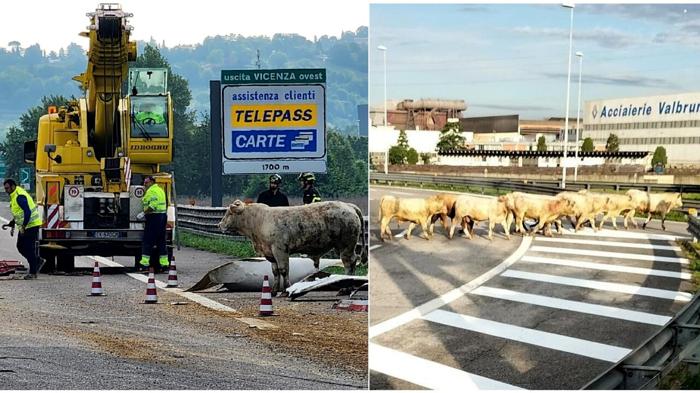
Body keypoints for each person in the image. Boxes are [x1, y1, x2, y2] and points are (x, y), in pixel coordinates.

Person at [3, 179, 43, 279]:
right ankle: (37, 261)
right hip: (26, 226)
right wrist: (12, 223)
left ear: (12, 186)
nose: (6, 190)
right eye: (5, 188)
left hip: (31, 225)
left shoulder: (19, 196)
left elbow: (27, 212)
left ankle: (33, 272)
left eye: (7, 188)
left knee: (28, 248)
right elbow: (19, 213)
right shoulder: (15, 194)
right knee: (20, 246)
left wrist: (24, 226)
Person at [137, 176, 168, 272]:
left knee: (148, 241)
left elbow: (153, 206)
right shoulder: (160, 189)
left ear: (151, 182)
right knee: (161, 241)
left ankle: (144, 264)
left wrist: (143, 213)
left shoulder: (152, 191)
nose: (144, 184)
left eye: (146, 182)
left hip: (154, 218)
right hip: (162, 217)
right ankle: (164, 264)